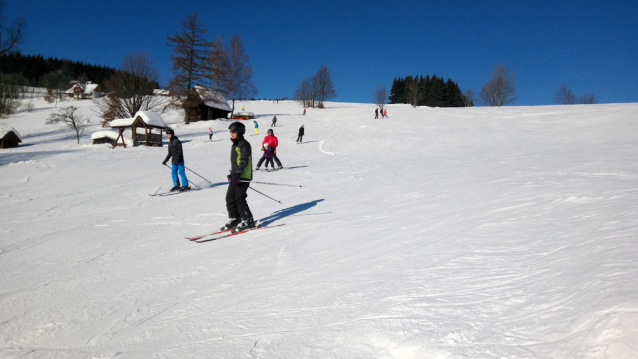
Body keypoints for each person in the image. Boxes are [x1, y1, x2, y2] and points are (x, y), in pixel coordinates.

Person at [220, 122, 255, 231]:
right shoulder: (235, 144)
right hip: (236, 175)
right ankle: (235, 218)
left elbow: (244, 160)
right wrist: (233, 173)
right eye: (230, 131)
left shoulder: (244, 144)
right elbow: (236, 162)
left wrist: (238, 172)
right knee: (230, 197)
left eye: (233, 131)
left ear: (239, 132)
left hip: (243, 175)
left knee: (239, 198)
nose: (231, 133)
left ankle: (248, 219)